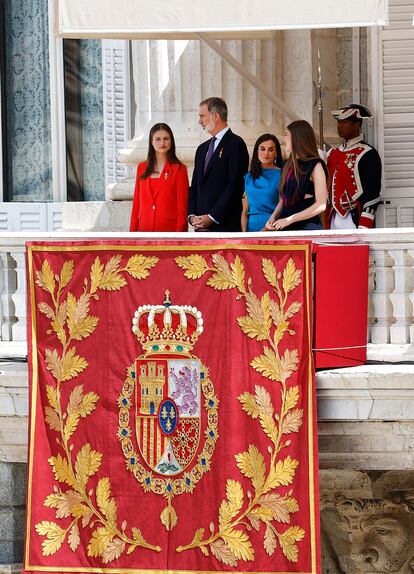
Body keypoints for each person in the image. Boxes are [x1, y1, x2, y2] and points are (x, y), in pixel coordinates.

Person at [188, 97, 249, 232]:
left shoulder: (236, 144)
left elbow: (235, 185)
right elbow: (195, 187)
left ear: (215, 116)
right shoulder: (201, 149)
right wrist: (192, 216)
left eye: (202, 116)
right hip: (200, 228)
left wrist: (212, 217)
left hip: (225, 226)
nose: (200, 121)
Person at [326, 103, 382, 229]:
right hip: (332, 218)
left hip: (353, 218)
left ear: (357, 125)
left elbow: (372, 193)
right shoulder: (333, 153)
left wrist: (364, 225)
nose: (339, 126)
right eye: (338, 122)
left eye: (344, 122)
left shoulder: (367, 153)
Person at [265, 120, 328, 231]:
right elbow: (285, 198)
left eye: (286, 135)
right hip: (285, 226)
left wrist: (290, 219)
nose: (283, 139)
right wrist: (273, 216)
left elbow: (321, 204)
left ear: (297, 138)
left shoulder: (315, 165)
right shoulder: (287, 165)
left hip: (306, 227)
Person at [129, 123, 189, 232]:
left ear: (171, 141)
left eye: (166, 139)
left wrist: (179, 238)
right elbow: (136, 204)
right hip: (144, 231)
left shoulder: (179, 169)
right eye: (158, 139)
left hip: (170, 233)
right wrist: (131, 235)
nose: (162, 143)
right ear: (151, 141)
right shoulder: (142, 167)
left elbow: (182, 208)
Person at [241, 134, 282, 232]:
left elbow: (283, 207)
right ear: (257, 151)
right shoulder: (249, 176)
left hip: (272, 228)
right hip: (250, 230)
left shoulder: (282, 175)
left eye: (271, 150)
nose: (266, 153)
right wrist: (244, 235)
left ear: (276, 153)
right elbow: (245, 211)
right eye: (262, 149)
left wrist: (264, 231)